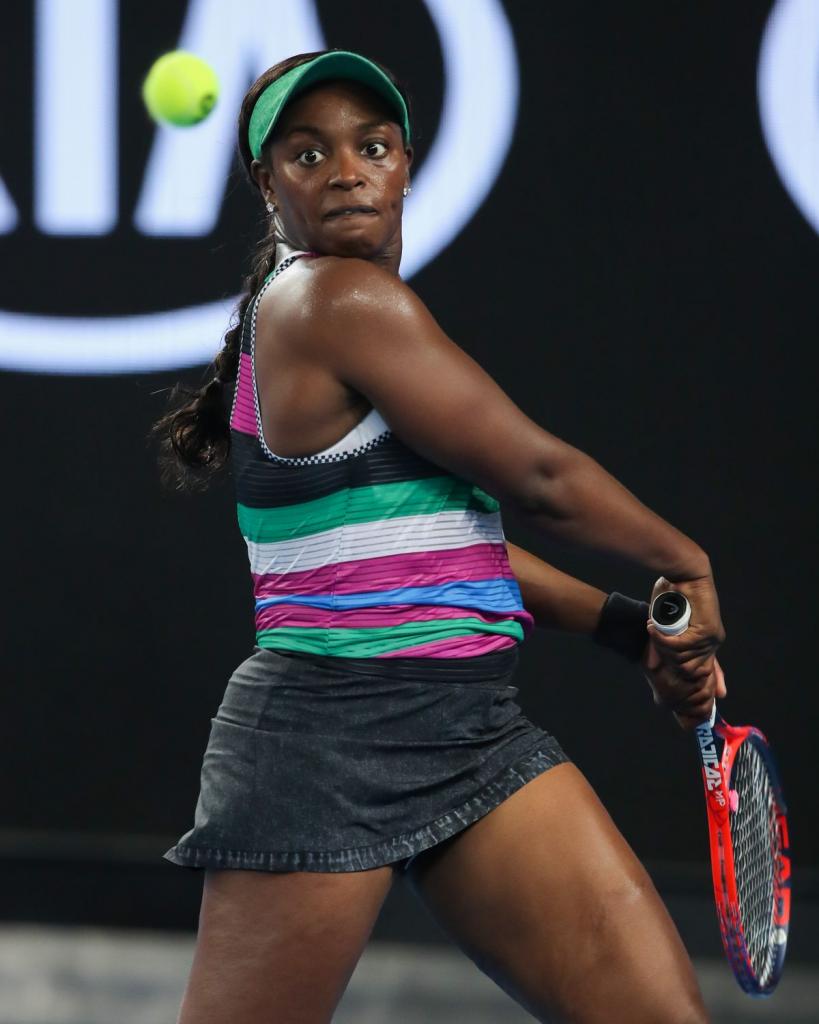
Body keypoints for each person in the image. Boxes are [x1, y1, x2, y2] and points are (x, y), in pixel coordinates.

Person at [151, 49, 726, 1024]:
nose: (345, 170)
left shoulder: (312, 312)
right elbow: (539, 477)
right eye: (306, 153)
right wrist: (686, 562)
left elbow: (449, 548)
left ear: (406, 165)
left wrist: (628, 625)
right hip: (323, 746)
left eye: (370, 146)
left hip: (472, 737)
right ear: (265, 183)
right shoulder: (337, 300)